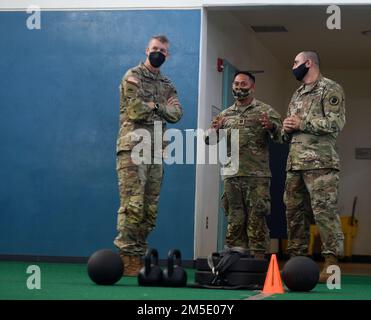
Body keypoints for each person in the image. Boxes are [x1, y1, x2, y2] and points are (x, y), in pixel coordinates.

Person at [114, 35, 183, 276]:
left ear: (168, 55)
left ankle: (140, 254)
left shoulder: (167, 83)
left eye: (163, 50)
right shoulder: (132, 76)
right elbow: (134, 110)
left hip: (156, 150)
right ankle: (127, 256)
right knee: (133, 204)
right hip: (133, 147)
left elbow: (177, 114)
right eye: (155, 49)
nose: (159, 53)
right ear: (146, 50)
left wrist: (154, 105)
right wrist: (159, 107)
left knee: (149, 207)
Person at [282, 51, 346, 282]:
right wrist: (286, 127)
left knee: (324, 212)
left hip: (321, 163)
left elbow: (335, 123)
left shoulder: (330, 88)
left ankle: (331, 265)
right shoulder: (297, 94)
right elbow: (290, 128)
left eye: (296, 62)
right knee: (293, 213)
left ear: (309, 63)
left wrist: (302, 123)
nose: (294, 66)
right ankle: (296, 262)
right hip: (295, 163)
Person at [206, 71, 283, 258]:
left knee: (257, 217)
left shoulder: (265, 111)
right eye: (236, 84)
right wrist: (213, 130)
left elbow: (282, 137)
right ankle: (235, 257)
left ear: (252, 87)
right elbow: (208, 140)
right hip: (232, 175)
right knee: (235, 217)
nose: (239, 88)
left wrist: (272, 127)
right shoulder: (225, 114)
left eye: (243, 84)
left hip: (257, 175)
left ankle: (257, 260)